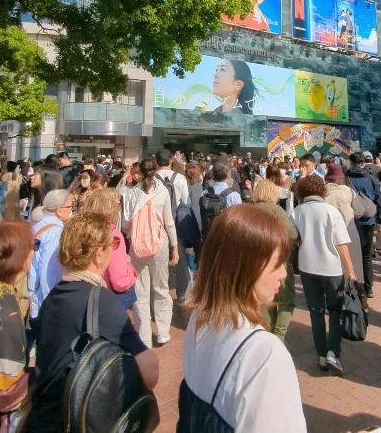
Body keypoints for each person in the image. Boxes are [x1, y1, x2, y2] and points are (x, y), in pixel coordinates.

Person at [24, 213, 158, 432]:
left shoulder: (51, 298)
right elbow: (150, 369)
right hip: (78, 421)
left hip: (43, 416)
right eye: (112, 244)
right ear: (98, 255)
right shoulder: (103, 302)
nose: (114, 248)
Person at [178, 205, 306, 432]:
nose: (284, 273)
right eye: (277, 264)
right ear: (245, 270)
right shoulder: (265, 354)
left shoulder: (199, 320)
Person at [291, 175, 356, 375]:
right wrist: (351, 270)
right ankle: (332, 352)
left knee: (316, 311)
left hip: (307, 266)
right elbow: (341, 244)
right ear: (322, 190)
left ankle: (321, 354)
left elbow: (293, 237)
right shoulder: (331, 211)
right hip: (331, 268)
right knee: (335, 310)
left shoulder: (297, 212)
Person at [123, 158, 179, 347]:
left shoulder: (131, 194)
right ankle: (163, 332)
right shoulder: (162, 192)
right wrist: (175, 246)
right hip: (159, 242)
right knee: (161, 287)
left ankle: (144, 337)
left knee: (140, 292)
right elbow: (169, 222)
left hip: (137, 245)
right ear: (154, 171)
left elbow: (124, 224)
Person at [0, 220, 35, 431]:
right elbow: (5, 390)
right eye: (33, 246)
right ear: (21, 260)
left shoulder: (4, 294)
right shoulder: (6, 312)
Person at [252, 180, 298, 342]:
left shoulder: (250, 209)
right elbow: (292, 234)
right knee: (286, 300)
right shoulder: (276, 210)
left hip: (257, 261)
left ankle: (267, 332)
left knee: (265, 300)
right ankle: (278, 336)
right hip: (279, 259)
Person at [82, 188, 137, 309]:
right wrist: (130, 269)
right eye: (118, 204)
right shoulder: (113, 235)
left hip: (84, 292)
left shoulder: (80, 230)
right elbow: (119, 281)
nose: (119, 208)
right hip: (106, 297)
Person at [28, 190, 74, 319]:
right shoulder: (56, 232)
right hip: (41, 301)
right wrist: (53, 302)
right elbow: (49, 271)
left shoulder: (37, 224)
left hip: (31, 293)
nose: (72, 210)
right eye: (70, 207)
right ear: (59, 210)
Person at [324, 163, 366, 305]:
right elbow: (360, 212)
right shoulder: (349, 191)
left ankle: (335, 298)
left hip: (329, 235)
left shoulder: (322, 192)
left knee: (334, 268)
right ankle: (355, 298)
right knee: (353, 267)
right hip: (349, 233)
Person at [155, 149, 192, 304]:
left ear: (156, 161)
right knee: (181, 258)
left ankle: (159, 294)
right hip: (176, 222)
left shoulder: (152, 178)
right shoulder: (180, 178)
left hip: (156, 223)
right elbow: (186, 201)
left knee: (157, 258)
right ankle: (182, 294)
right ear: (170, 161)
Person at [345, 152, 381, 298]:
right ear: (363, 162)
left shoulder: (346, 178)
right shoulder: (371, 178)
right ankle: (369, 288)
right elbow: (378, 201)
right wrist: (380, 222)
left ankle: (354, 286)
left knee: (351, 254)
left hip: (351, 220)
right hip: (369, 220)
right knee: (366, 255)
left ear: (351, 162)